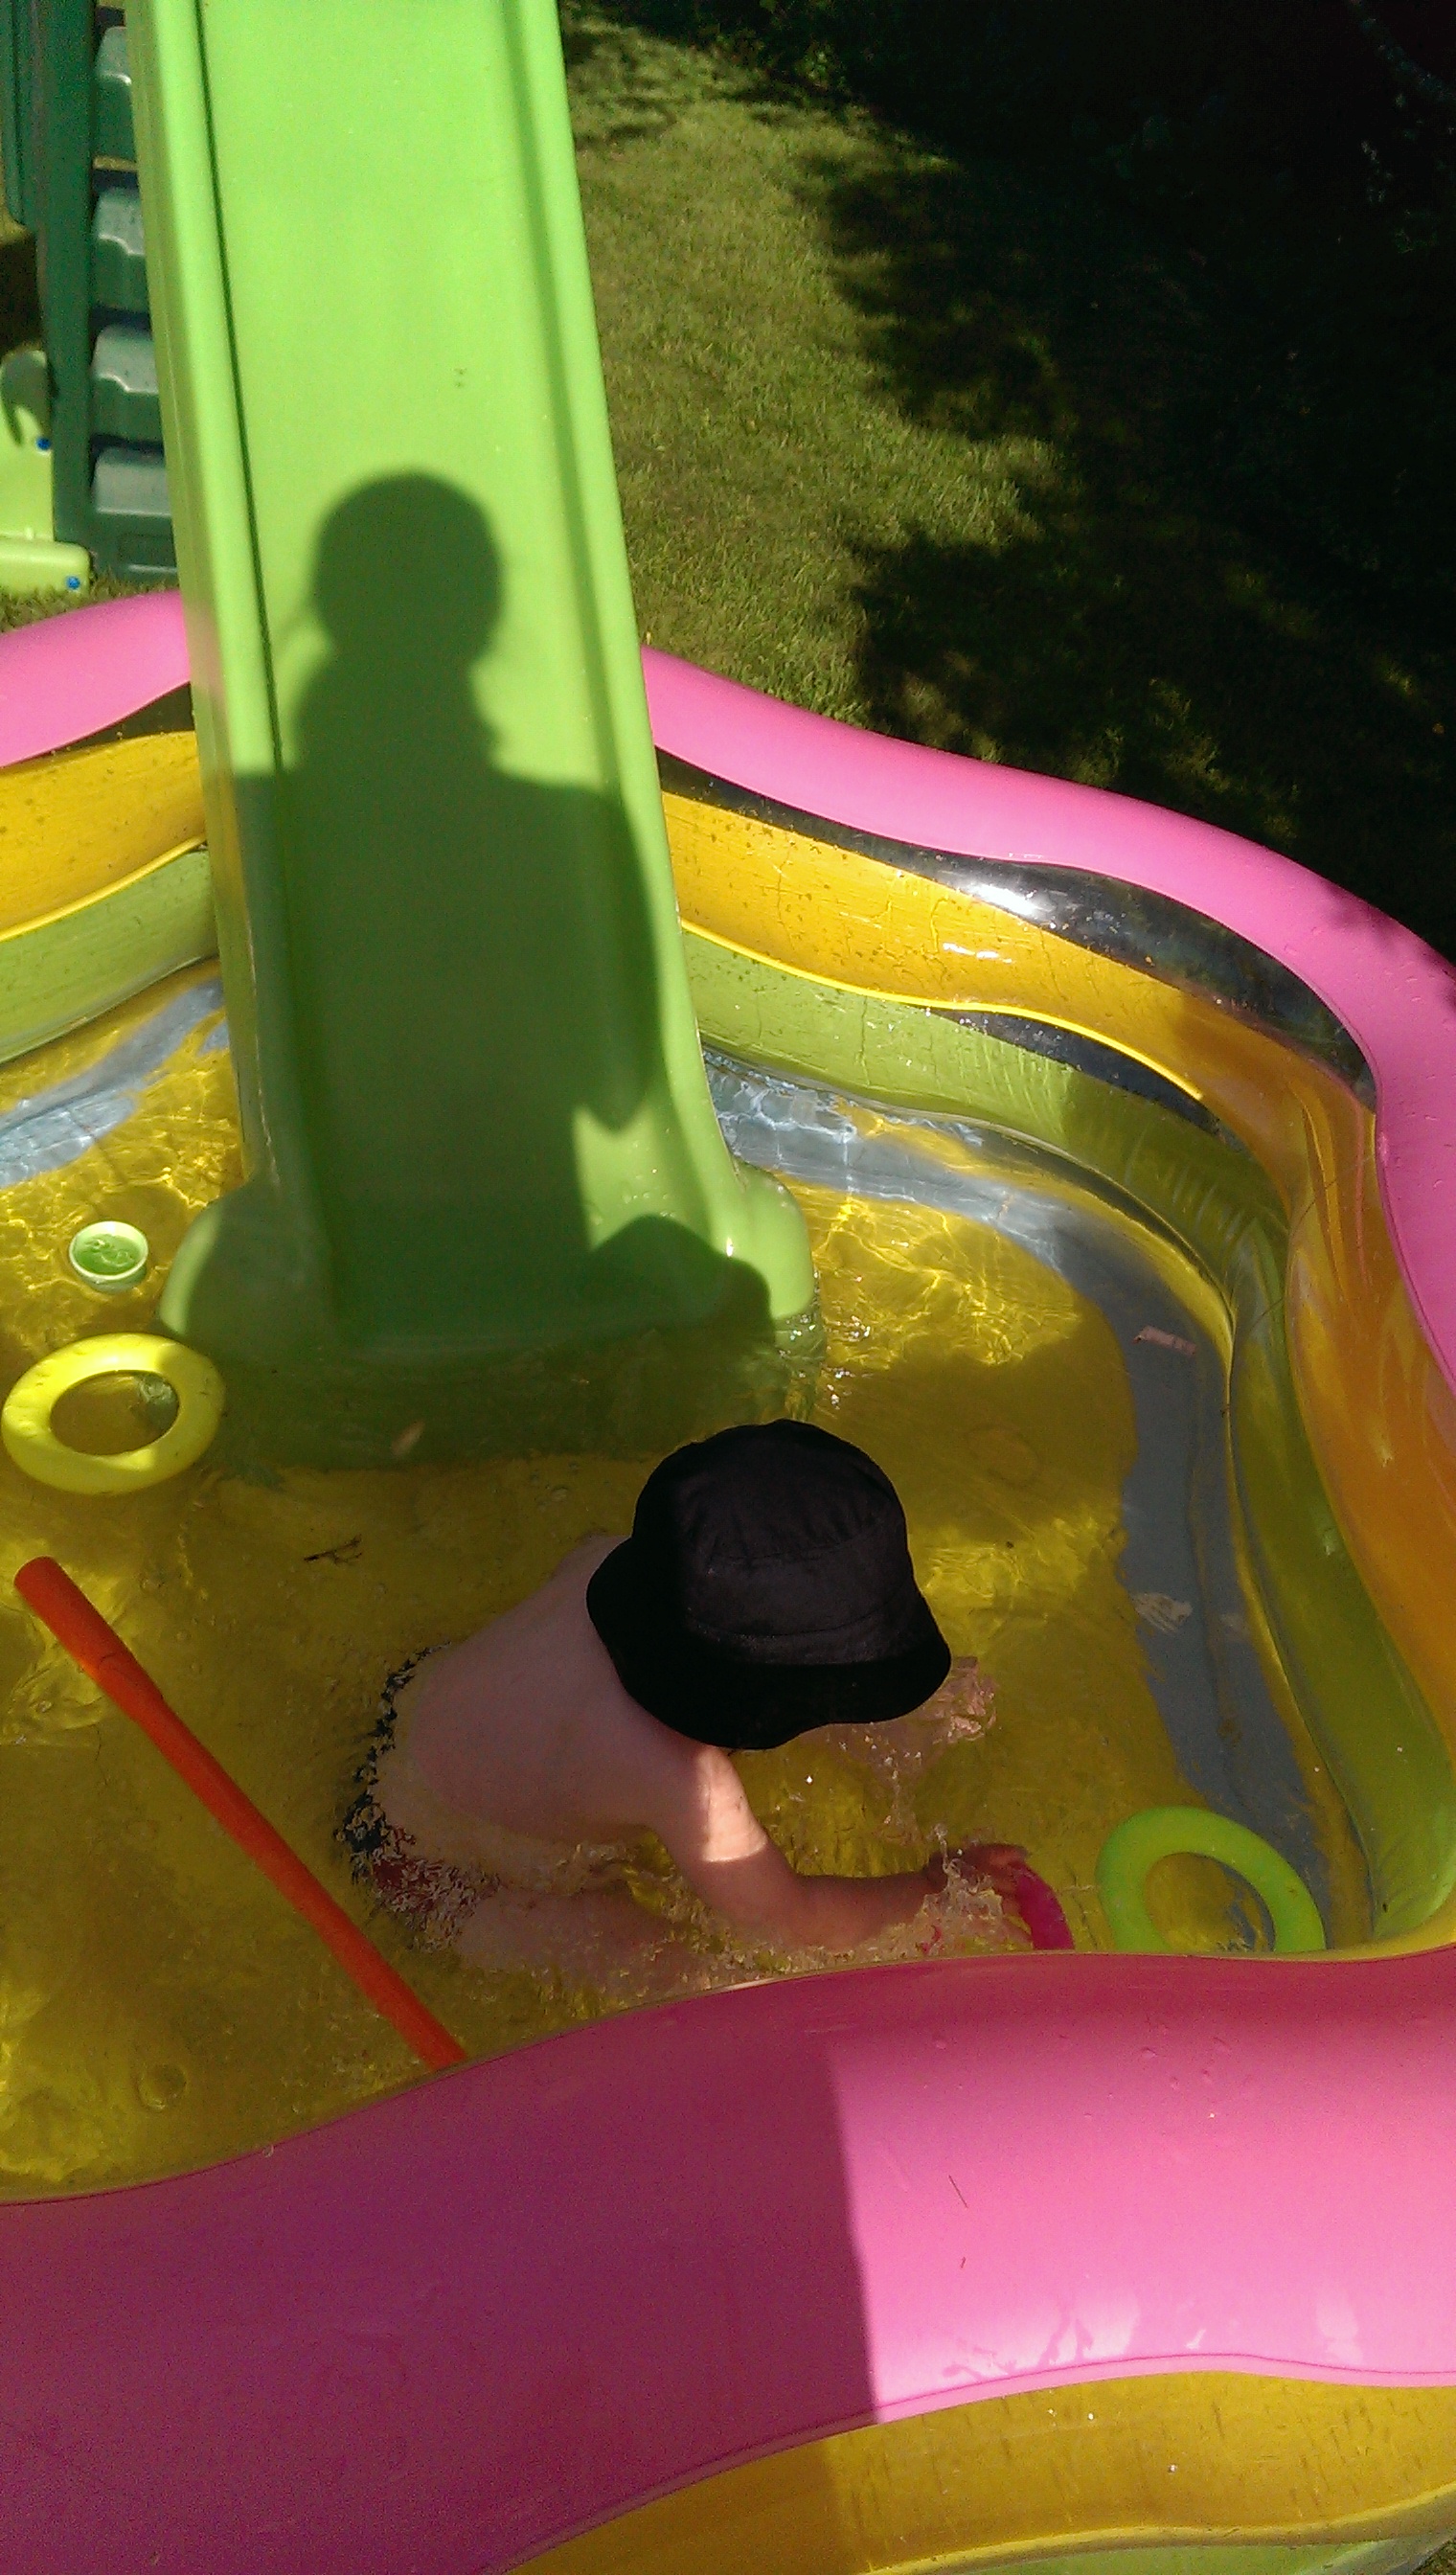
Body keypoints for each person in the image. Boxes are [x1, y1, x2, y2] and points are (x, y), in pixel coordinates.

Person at [346, 1420, 1032, 1963]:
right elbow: (787, 1921)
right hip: (429, 1870)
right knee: (679, 1971)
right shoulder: (681, 1779)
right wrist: (933, 1887)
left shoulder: (618, 1562)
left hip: (423, 1700)